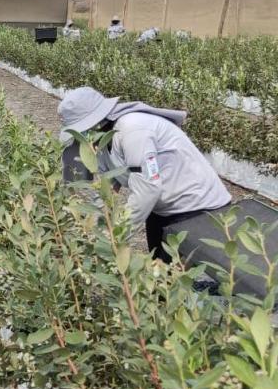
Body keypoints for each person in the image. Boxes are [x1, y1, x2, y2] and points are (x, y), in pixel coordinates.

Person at [57, 87, 231, 262]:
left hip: (197, 207)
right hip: (161, 208)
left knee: (172, 277)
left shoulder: (133, 129)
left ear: (95, 121)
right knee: (157, 269)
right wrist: (94, 227)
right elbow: (107, 187)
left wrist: (116, 236)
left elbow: (148, 189)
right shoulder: (101, 141)